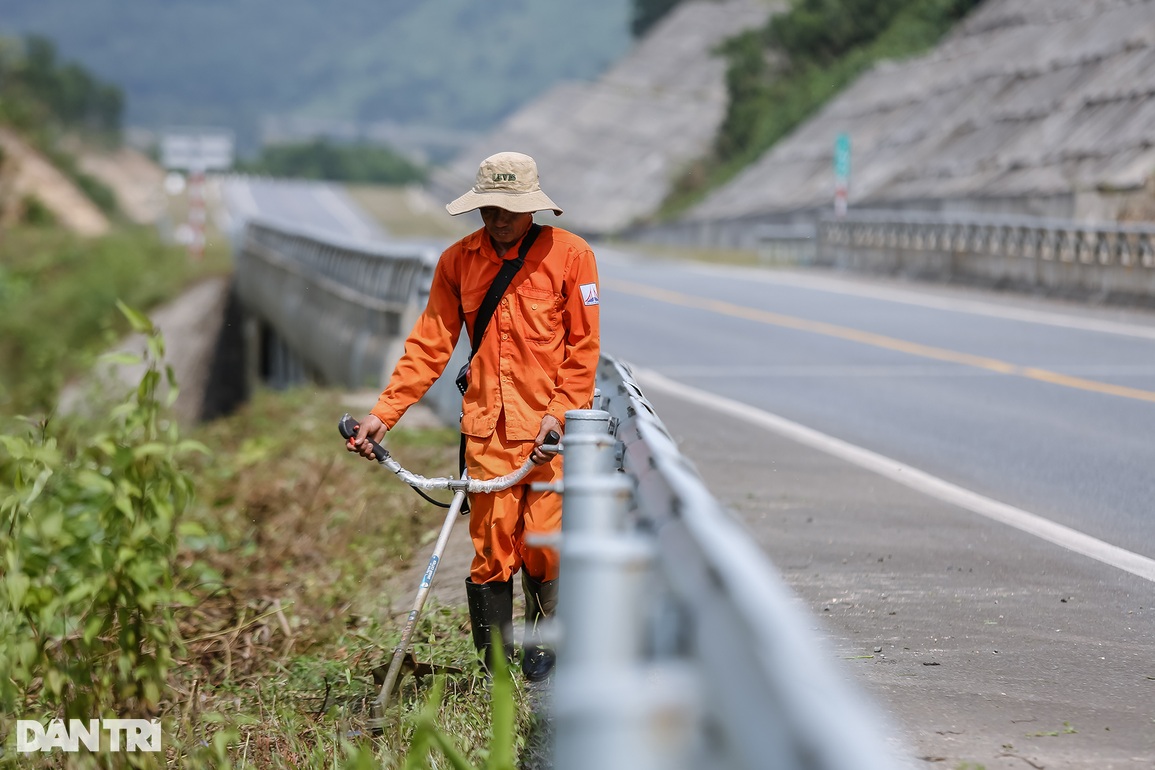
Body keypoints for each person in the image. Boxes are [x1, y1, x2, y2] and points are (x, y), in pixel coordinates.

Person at [347, 151, 600, 681]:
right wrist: (384, 415)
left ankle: (545, 646)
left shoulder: (572, 257)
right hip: (487, 435)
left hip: (550, 436)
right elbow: (428, 346)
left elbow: (583, 352)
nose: (498, 217)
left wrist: (558, 416)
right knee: (492, 552)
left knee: (544, 546)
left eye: (509, 207)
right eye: (489, 207)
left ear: (532, 207)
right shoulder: (457, 261)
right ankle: (496, 671)